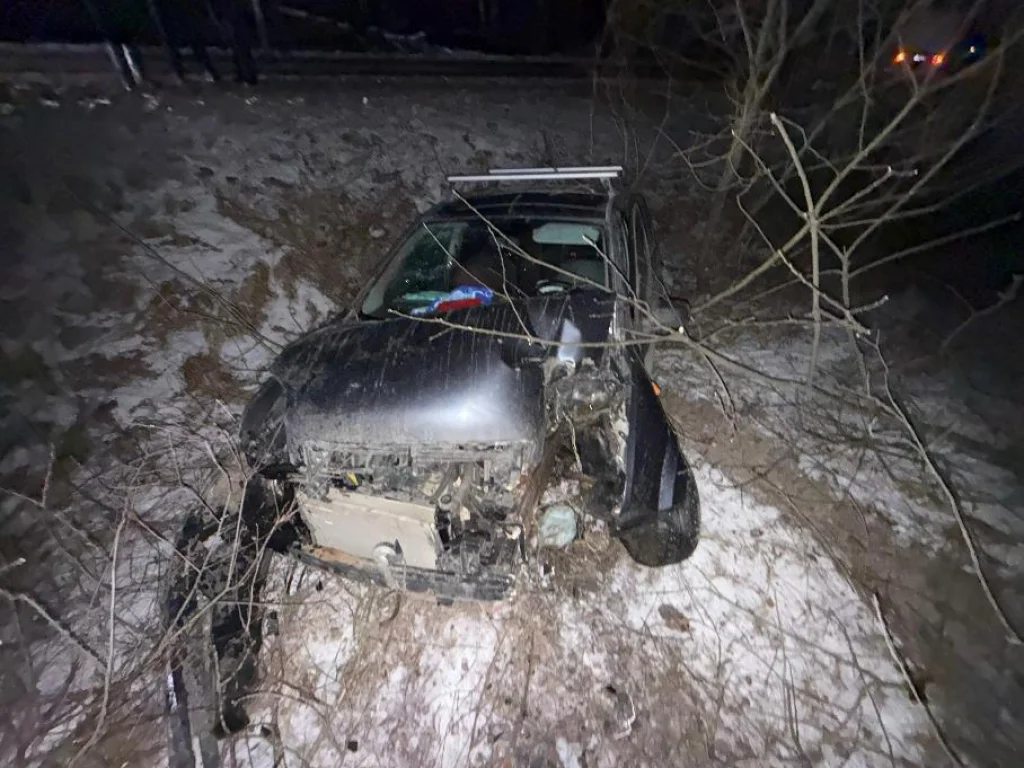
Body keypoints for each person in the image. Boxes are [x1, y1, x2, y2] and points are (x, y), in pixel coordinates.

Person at [151, 0, 220, 83]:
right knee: (194, 42)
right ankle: (209, 70)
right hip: (184, 14)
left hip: (174, 15)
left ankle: (179, 72)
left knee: (174, 43)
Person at [210, 0, 259, 85]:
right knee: (241, 50)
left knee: (241, 50)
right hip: (237, 20)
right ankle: (245, 75)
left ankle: (246, 75)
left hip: (238, 20)